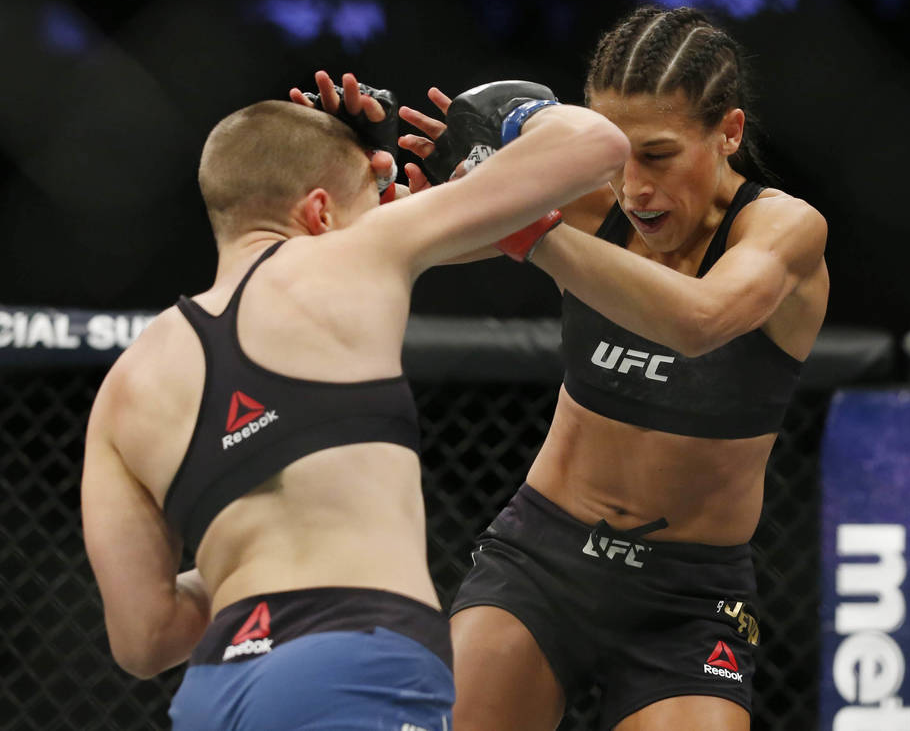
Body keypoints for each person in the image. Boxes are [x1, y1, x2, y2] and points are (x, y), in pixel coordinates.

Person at [79, 73, 630, 730]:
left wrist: (243, 556)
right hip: (354, 659)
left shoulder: (125, 387)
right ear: (319, 213)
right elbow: (597, 144)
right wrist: (512, 119)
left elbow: (144, 640)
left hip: (215, 691)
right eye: (376, 197)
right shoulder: (354, 253)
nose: (389, 207)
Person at [398, 5, 829, 731]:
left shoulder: (783, 229)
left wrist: (528, 226)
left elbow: (700, 321)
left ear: (728, 132)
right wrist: (363, 160)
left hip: (690, 597)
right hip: (541, 561)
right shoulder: (583, 204)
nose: (633, 186)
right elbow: (399, 238)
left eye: (657, 154)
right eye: (613, 153)